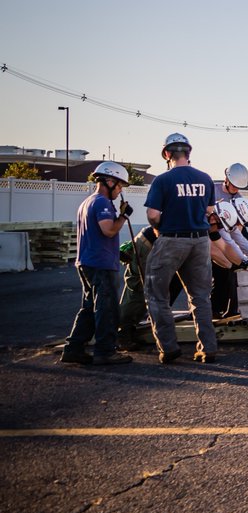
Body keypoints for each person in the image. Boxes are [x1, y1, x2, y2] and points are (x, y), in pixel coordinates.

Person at [142, 133, 219, 364]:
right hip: (200, 241)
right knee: (200, 297)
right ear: (188, 152)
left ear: (167, 154)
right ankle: (208, 348)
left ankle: (168, 348)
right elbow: (209, 210)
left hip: (171, 240)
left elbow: (153, 214)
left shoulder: (162, 180)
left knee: (157, 295)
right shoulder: (205, 179)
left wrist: (159, 226)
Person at [61, 162, 135, 365]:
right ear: (109, 181)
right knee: (107, 308)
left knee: (89, 307)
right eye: (119, 185)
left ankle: (74, 348)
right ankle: (105, 351)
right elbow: (109, 230)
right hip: (101, 264)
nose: (120, 190)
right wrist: (123, 216)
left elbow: (96, 235)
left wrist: (117, 253)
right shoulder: (102, 203)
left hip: (87, 261)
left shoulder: (87, 202)